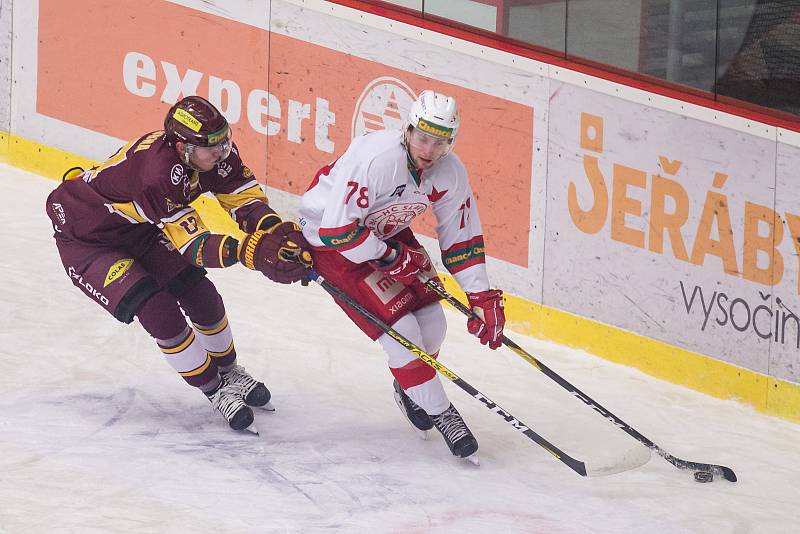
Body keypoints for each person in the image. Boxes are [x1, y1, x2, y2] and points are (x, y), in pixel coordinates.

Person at [45, 96, 312, 434]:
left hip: (139, 228)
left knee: (200, 294)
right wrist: (250, 252)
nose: (222, 152)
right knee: (159, 311)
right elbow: (195, 246)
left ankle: (229, 371)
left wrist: (274, 230)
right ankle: (214, 389)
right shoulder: (157, 175)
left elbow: (243, 198)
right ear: (183, 148)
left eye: (225, 140)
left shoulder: (213, 155)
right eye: (211, 147)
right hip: (88, 241)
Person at [298, 90, 506, 461]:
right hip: (332, 244)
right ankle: (443, 415)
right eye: (423, 137)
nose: (428, 148)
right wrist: (391, 258)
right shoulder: (378, 159)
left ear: (450, 143)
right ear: (408, 130)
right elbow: (337, 230)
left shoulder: (450, 172)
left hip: (384, 233)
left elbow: (461, 238)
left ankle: (410, 385)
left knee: (433, 325)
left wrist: (481, 295)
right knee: (403, 335)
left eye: (440, 142)